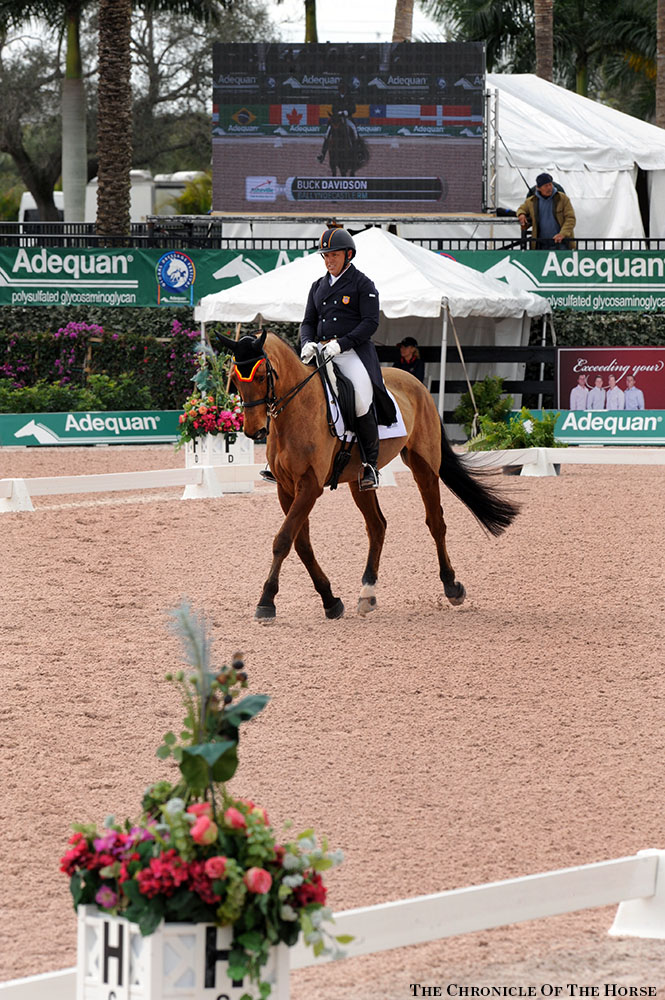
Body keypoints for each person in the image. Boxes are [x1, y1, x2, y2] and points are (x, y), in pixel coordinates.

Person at [300, 226, 396, 490]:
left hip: (352, 353)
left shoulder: (362, 284)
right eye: (325, 256)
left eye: (334, 255)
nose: (329, 260)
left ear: (348, 255)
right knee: (292, 390)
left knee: (360, 400)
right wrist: (307, 342)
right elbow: (307, 321)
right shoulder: (317, 286)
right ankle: (283, 460)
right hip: (320, 352)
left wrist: (341, 344)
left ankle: (370, 466)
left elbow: (370, 323)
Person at [517, 173, 576, 250]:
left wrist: (562, 234)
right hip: (541, 245)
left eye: (550, 184)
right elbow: (522, 208)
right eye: (546, 186)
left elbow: (570, 219)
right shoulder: (531, 201)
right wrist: (521, 214)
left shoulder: (563, 199)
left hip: (561, 243)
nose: (549, 188)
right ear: (538, 188)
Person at [318, 81, 358, 162]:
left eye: (344, 89)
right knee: (328, 132)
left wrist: (347, 112)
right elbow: (333, 108)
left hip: (347, 118)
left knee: (354, 130)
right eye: (341, 89)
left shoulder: (350, 97)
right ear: (339, 90)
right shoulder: (336, 97)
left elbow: (354, 109)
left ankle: (357, 152)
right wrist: (337, 112)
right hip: (337, 119)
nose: (342, 90)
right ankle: (323, 154)